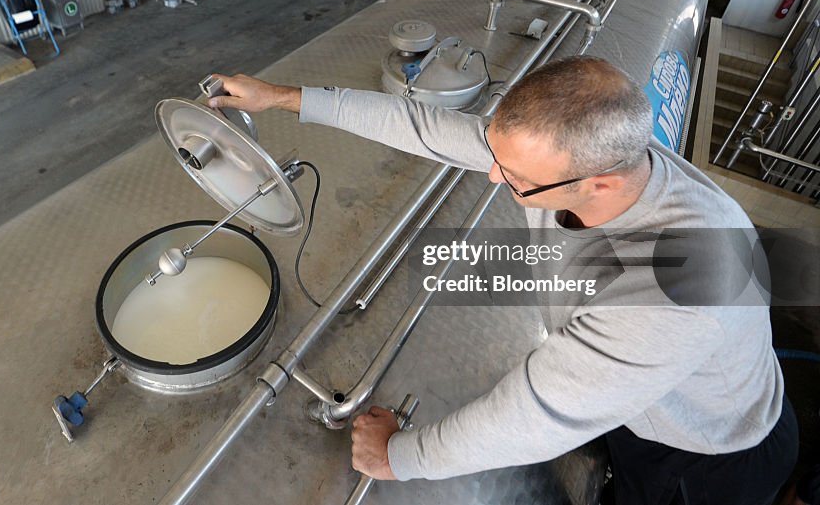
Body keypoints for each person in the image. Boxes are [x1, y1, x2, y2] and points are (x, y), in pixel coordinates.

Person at [207, 56, 799, 505]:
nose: (493, 175)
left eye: (515, 176)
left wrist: (396, 455)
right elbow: (425, 126)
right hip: (647, 403)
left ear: (602, 185)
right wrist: (283, 98)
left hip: (702, 455)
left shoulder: (678, 291)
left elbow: (534, 418)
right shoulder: (588, 159)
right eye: (497, 155)